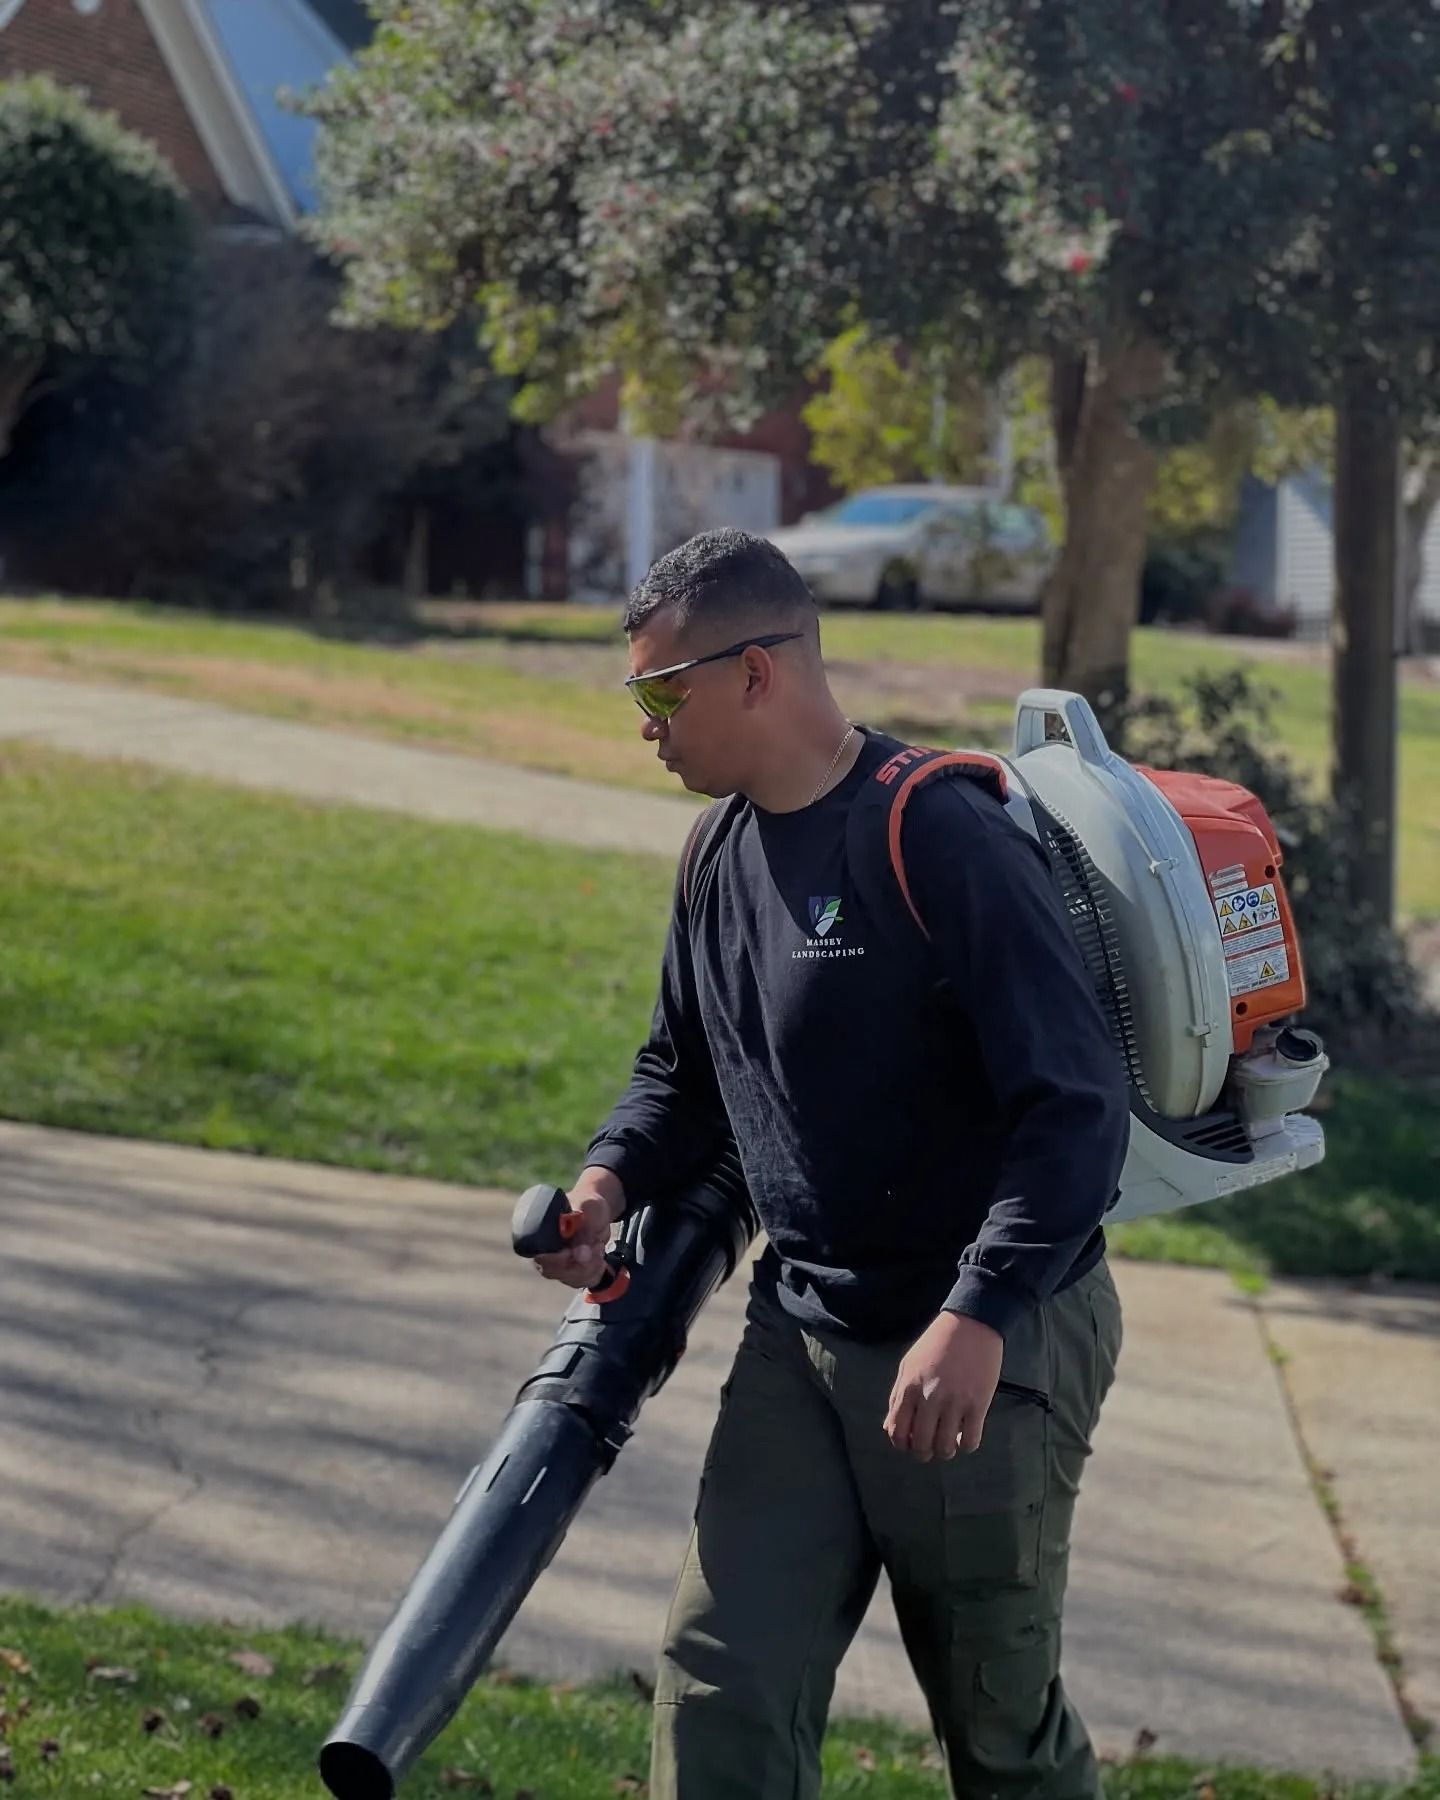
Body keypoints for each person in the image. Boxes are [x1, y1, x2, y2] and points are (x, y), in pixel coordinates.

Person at [533, 528, 1129, 1800]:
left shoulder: (940, 835)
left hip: (987, 1348)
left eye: (659, 691)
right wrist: (605, 1186)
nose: (644, 725)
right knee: (721, 1685)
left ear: (756, 671)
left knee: (998, 1735)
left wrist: (980, 1315)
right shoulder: (718, 855)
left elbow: (1076, 1109)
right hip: (801, 1333)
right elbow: (681, 1076)